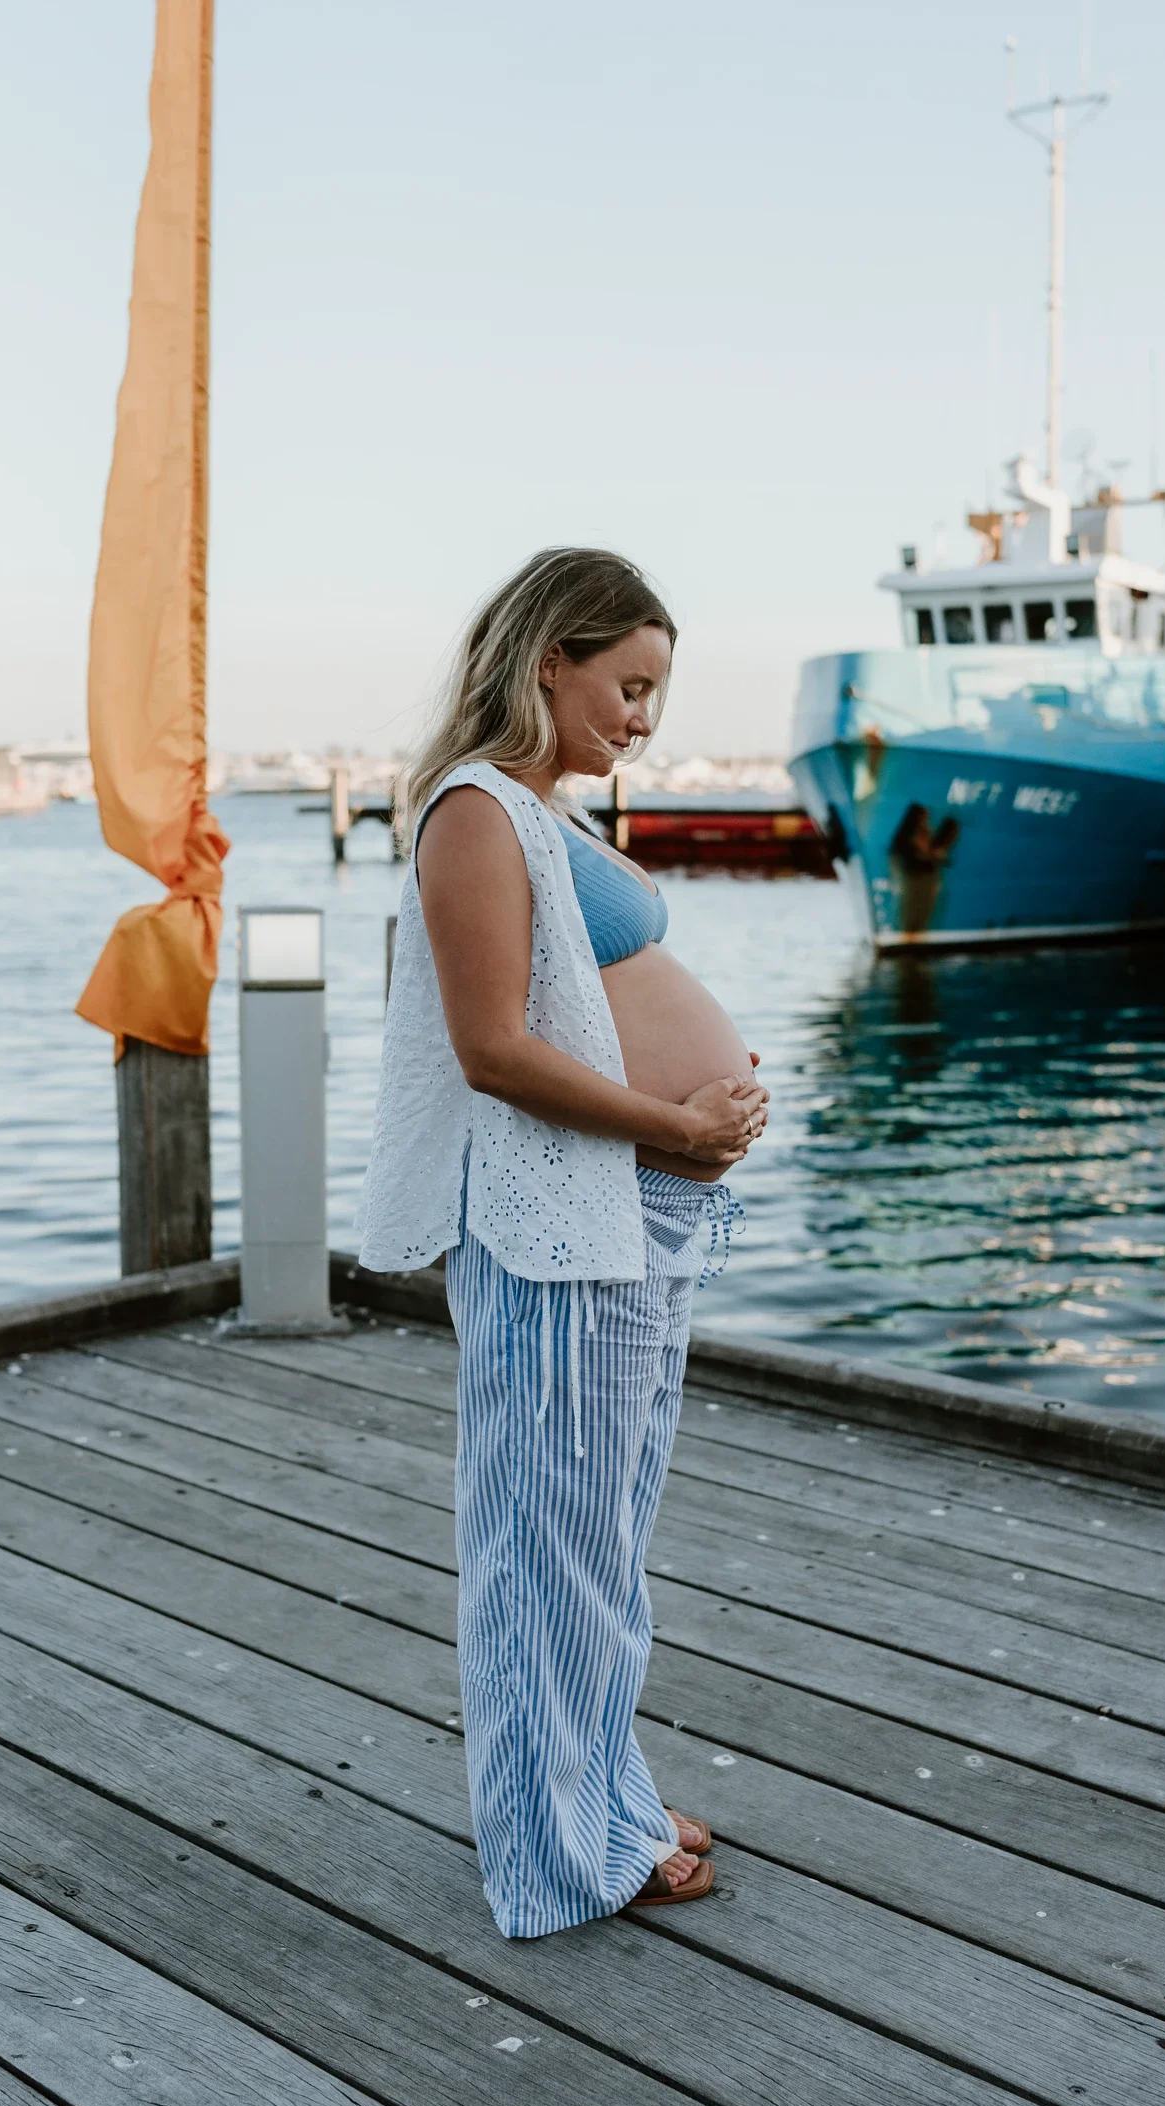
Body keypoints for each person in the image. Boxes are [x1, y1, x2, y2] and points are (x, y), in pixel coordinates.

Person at [359, 547, 767, 1938]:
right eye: (627, 684)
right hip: (559, 1231)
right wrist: (674, 1114)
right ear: (549, 660)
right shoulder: (476, 813)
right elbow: (492, 1049)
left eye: (657, 691)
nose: (644, 717)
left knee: (602, 1536)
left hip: (635, 1210)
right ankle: (555, 1850)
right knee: (548, 1542)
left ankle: (608, 1794)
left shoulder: (541, 814)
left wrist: (695, 1121)